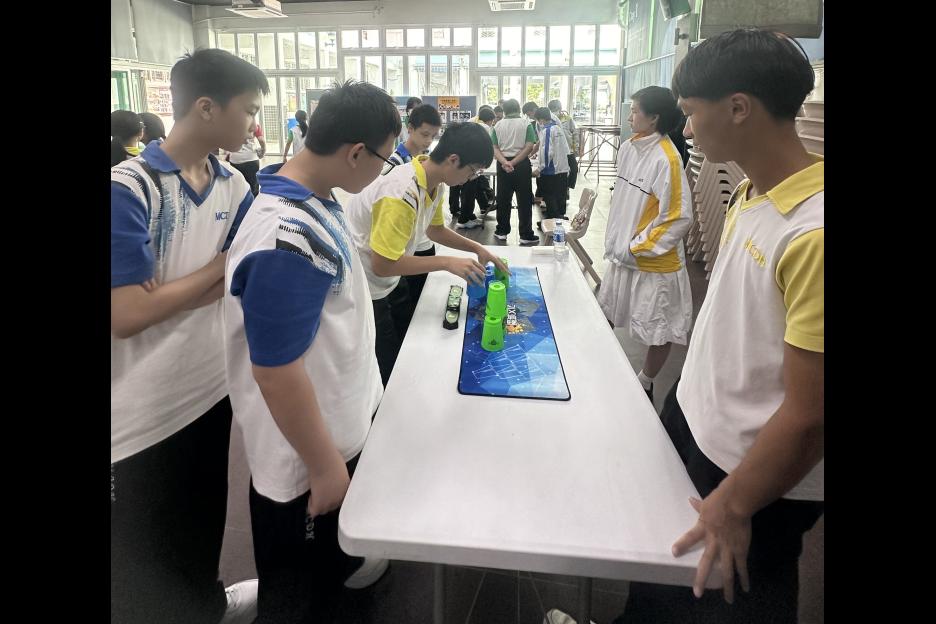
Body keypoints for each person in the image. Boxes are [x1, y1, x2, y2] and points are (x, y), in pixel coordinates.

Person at [547, 29, 824, 624]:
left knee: (726, 594)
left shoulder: (814, 233)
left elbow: (811, 413)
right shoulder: (753, 192)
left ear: (739, 108)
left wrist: (737, 501)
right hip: (699, 418)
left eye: (692, 113)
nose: (689, 130)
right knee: (660, 569)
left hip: (753, 468)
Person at [224, 80, 402, 623]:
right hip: (305, 457)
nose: (384, 172)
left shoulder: (316, 199)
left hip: (332, 429)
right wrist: (324, 467)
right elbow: (276, 371)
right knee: (297, 594)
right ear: (355, 152)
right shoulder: (285, 235)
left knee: (329, 571)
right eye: (385, 159)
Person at [111, 48, 269, 624]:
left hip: (209, 384)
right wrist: (213, 269)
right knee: (145, 549)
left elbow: (242, 272)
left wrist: (176, 289)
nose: (254, 126)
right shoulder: (131, 189)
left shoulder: (232, 184)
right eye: (248, 110)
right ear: (206, 107)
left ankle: (207, 603)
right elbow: (127, 314)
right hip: (140, 407)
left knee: (202, 515)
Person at [345, 121, 509, 386]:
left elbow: (435, 231)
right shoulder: (401, 194)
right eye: (472, 171)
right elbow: (382, 265)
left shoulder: (435, 182)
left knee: (405, 342)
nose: (470, 178)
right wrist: (446, 262)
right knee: (387, 362)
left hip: (390, 278)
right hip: (367, 286)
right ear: (453, 160)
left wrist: (478, 248)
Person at [596, 85, 693, 403]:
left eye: (634, 111)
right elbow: (624, 202)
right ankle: (594, 368)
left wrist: (637, 247)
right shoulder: (628, 148)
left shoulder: (668, 160)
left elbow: (678, 218)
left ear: (654, 118)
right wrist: (619, 243)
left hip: (653, 263)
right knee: (606, 311)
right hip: (623, 256)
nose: (629, 117)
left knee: (659, 329)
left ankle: (645, 383)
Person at [385, 103, 443, 305]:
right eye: (425, 134)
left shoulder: (425, 160)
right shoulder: (395, 163)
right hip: (404, 248)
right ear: (410, 128)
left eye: (433, 136)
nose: (428, 140)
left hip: (422, 240)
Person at [491, 99, 538, 245]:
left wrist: (505, 162)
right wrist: (514, 162)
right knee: (524, 200)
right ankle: (526, 234)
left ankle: (502, 231)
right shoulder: (526, 124)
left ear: (504, 111)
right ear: (518, 109)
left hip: (503, 164)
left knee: (503, 198)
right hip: (521, 164)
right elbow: (529, 146)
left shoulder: (498, 125)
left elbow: (494, 147)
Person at [456, 107, 496, 228]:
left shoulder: (472, 124)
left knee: (469, 191)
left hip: (465, 162)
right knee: (469, 192)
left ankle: (469, 216)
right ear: (490, 119)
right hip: (472, 165)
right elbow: (488, 147)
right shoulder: (485, 128)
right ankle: (464, 220)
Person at [532, 106, 571, 224]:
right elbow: (565, 149)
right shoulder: (558, 128)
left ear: (541, 119)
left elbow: (547, 152)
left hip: (551, 169)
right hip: (562, 168)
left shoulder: (547, 130)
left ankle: (552, 222)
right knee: (560, 196)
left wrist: (539, 169)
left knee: (549, 195)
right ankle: (559, 218)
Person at [226, 123, 267, 196]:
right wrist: (263, 151)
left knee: (237, 186)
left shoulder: (230, 124)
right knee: (253, 187)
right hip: (251, 159)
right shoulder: (254, 124)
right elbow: (261, 140)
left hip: (235, 159)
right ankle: (253, 202)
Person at [548, 99, 579, 192]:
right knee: (560, 172)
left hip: (569, 149)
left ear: (560, 108)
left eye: (556, 109)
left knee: (574, 169)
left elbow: (575, 134)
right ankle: (563, 189)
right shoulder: (549, 120)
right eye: (552, 109)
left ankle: (568, 186)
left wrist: (576, 148)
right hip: (556, 151)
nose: (555, 111)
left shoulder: (568, 119)